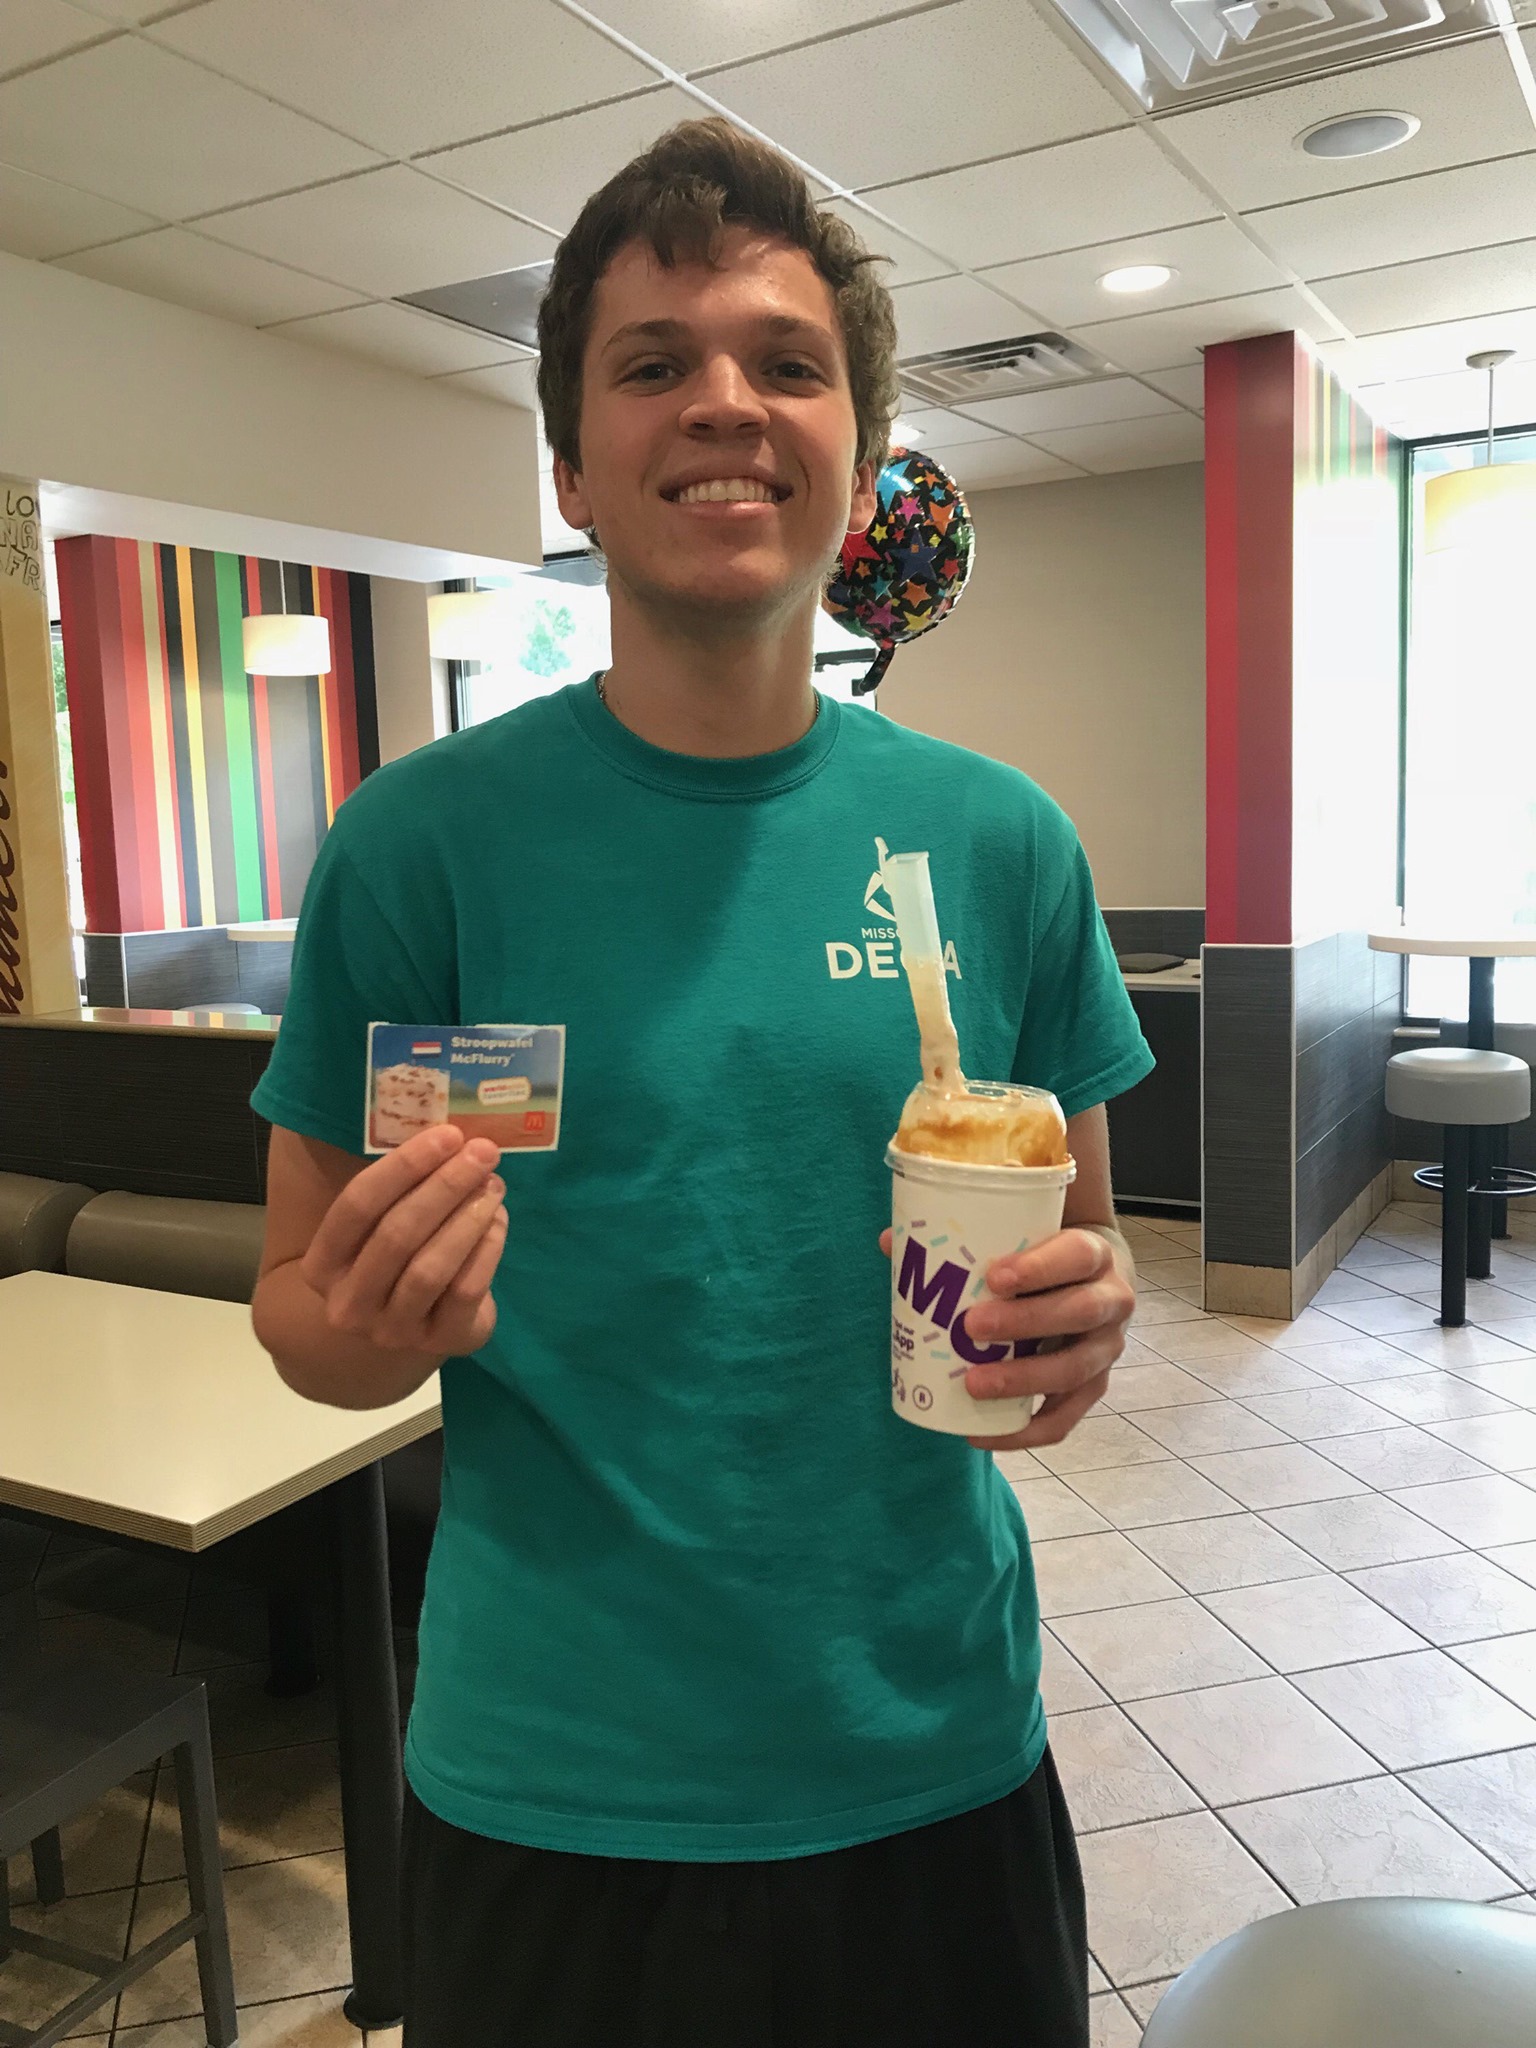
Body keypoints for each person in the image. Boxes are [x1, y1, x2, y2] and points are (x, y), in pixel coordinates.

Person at [250, 118, 1153, 2048]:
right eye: (654, 362)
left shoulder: (1001, 844)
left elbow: (1083, 1248)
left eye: (786, 363)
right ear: (573, 468)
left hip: (928, 1761)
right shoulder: (423, 848)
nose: (725, 403)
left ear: (863, 456)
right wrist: (369, 1320)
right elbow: (302, 1318)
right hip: (552, 1788)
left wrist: (1088, 1318)